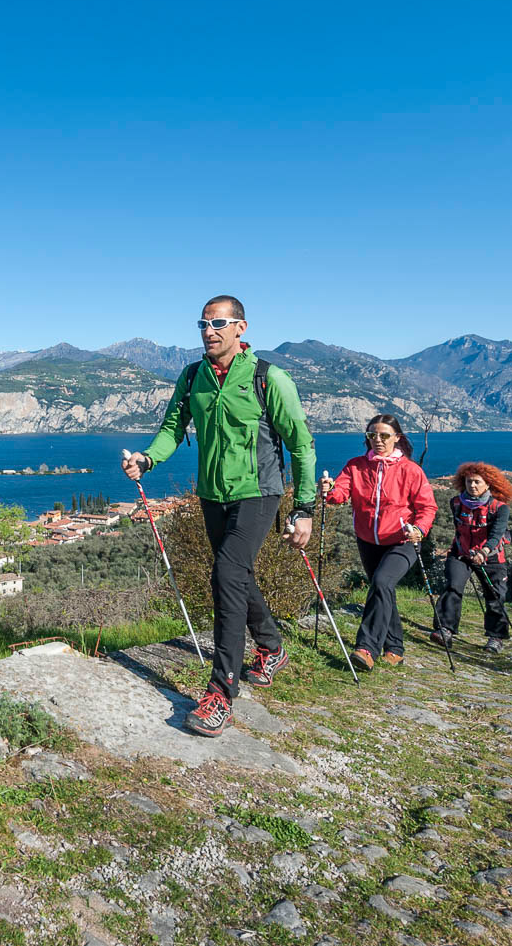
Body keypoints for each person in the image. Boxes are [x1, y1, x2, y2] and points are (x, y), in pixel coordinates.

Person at [122, 296, 316, 738]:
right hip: (211, 495)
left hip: (260, 492)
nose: (209, 330)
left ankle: (221, 693)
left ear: (241, 328)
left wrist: (304, 509)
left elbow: (302, 444)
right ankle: (271, 646)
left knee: (226, 573)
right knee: (237, 575)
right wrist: (147, 459)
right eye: (203, 324)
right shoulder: (193, 377)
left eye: (219, 323)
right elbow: (173, 429)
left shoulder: (270, 378)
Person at [319, 414, 436, 672]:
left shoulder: (411, 471)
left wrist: (419, 529)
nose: (378, 440)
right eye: (373, 435)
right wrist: (329, 490)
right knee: (384, 590)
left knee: (382, 583)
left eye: (384, 435)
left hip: (402, 541)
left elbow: (427, 507)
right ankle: (395, 649)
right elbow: (341, 493)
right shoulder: (356, 466)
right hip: (368, 541)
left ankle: (366, 648)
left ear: (398, 438)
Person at [433, 461, 512, 653]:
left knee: (495, 595)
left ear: (488, 484)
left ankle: (496, 637)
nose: (473, 486)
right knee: (453, 586)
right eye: (469, 482)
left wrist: (484, 551)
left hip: (491, 557)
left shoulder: (500, 508)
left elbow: (497, 534)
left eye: (477, 482)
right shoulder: (455, 503)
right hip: (461, 553)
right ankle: (445, 629)